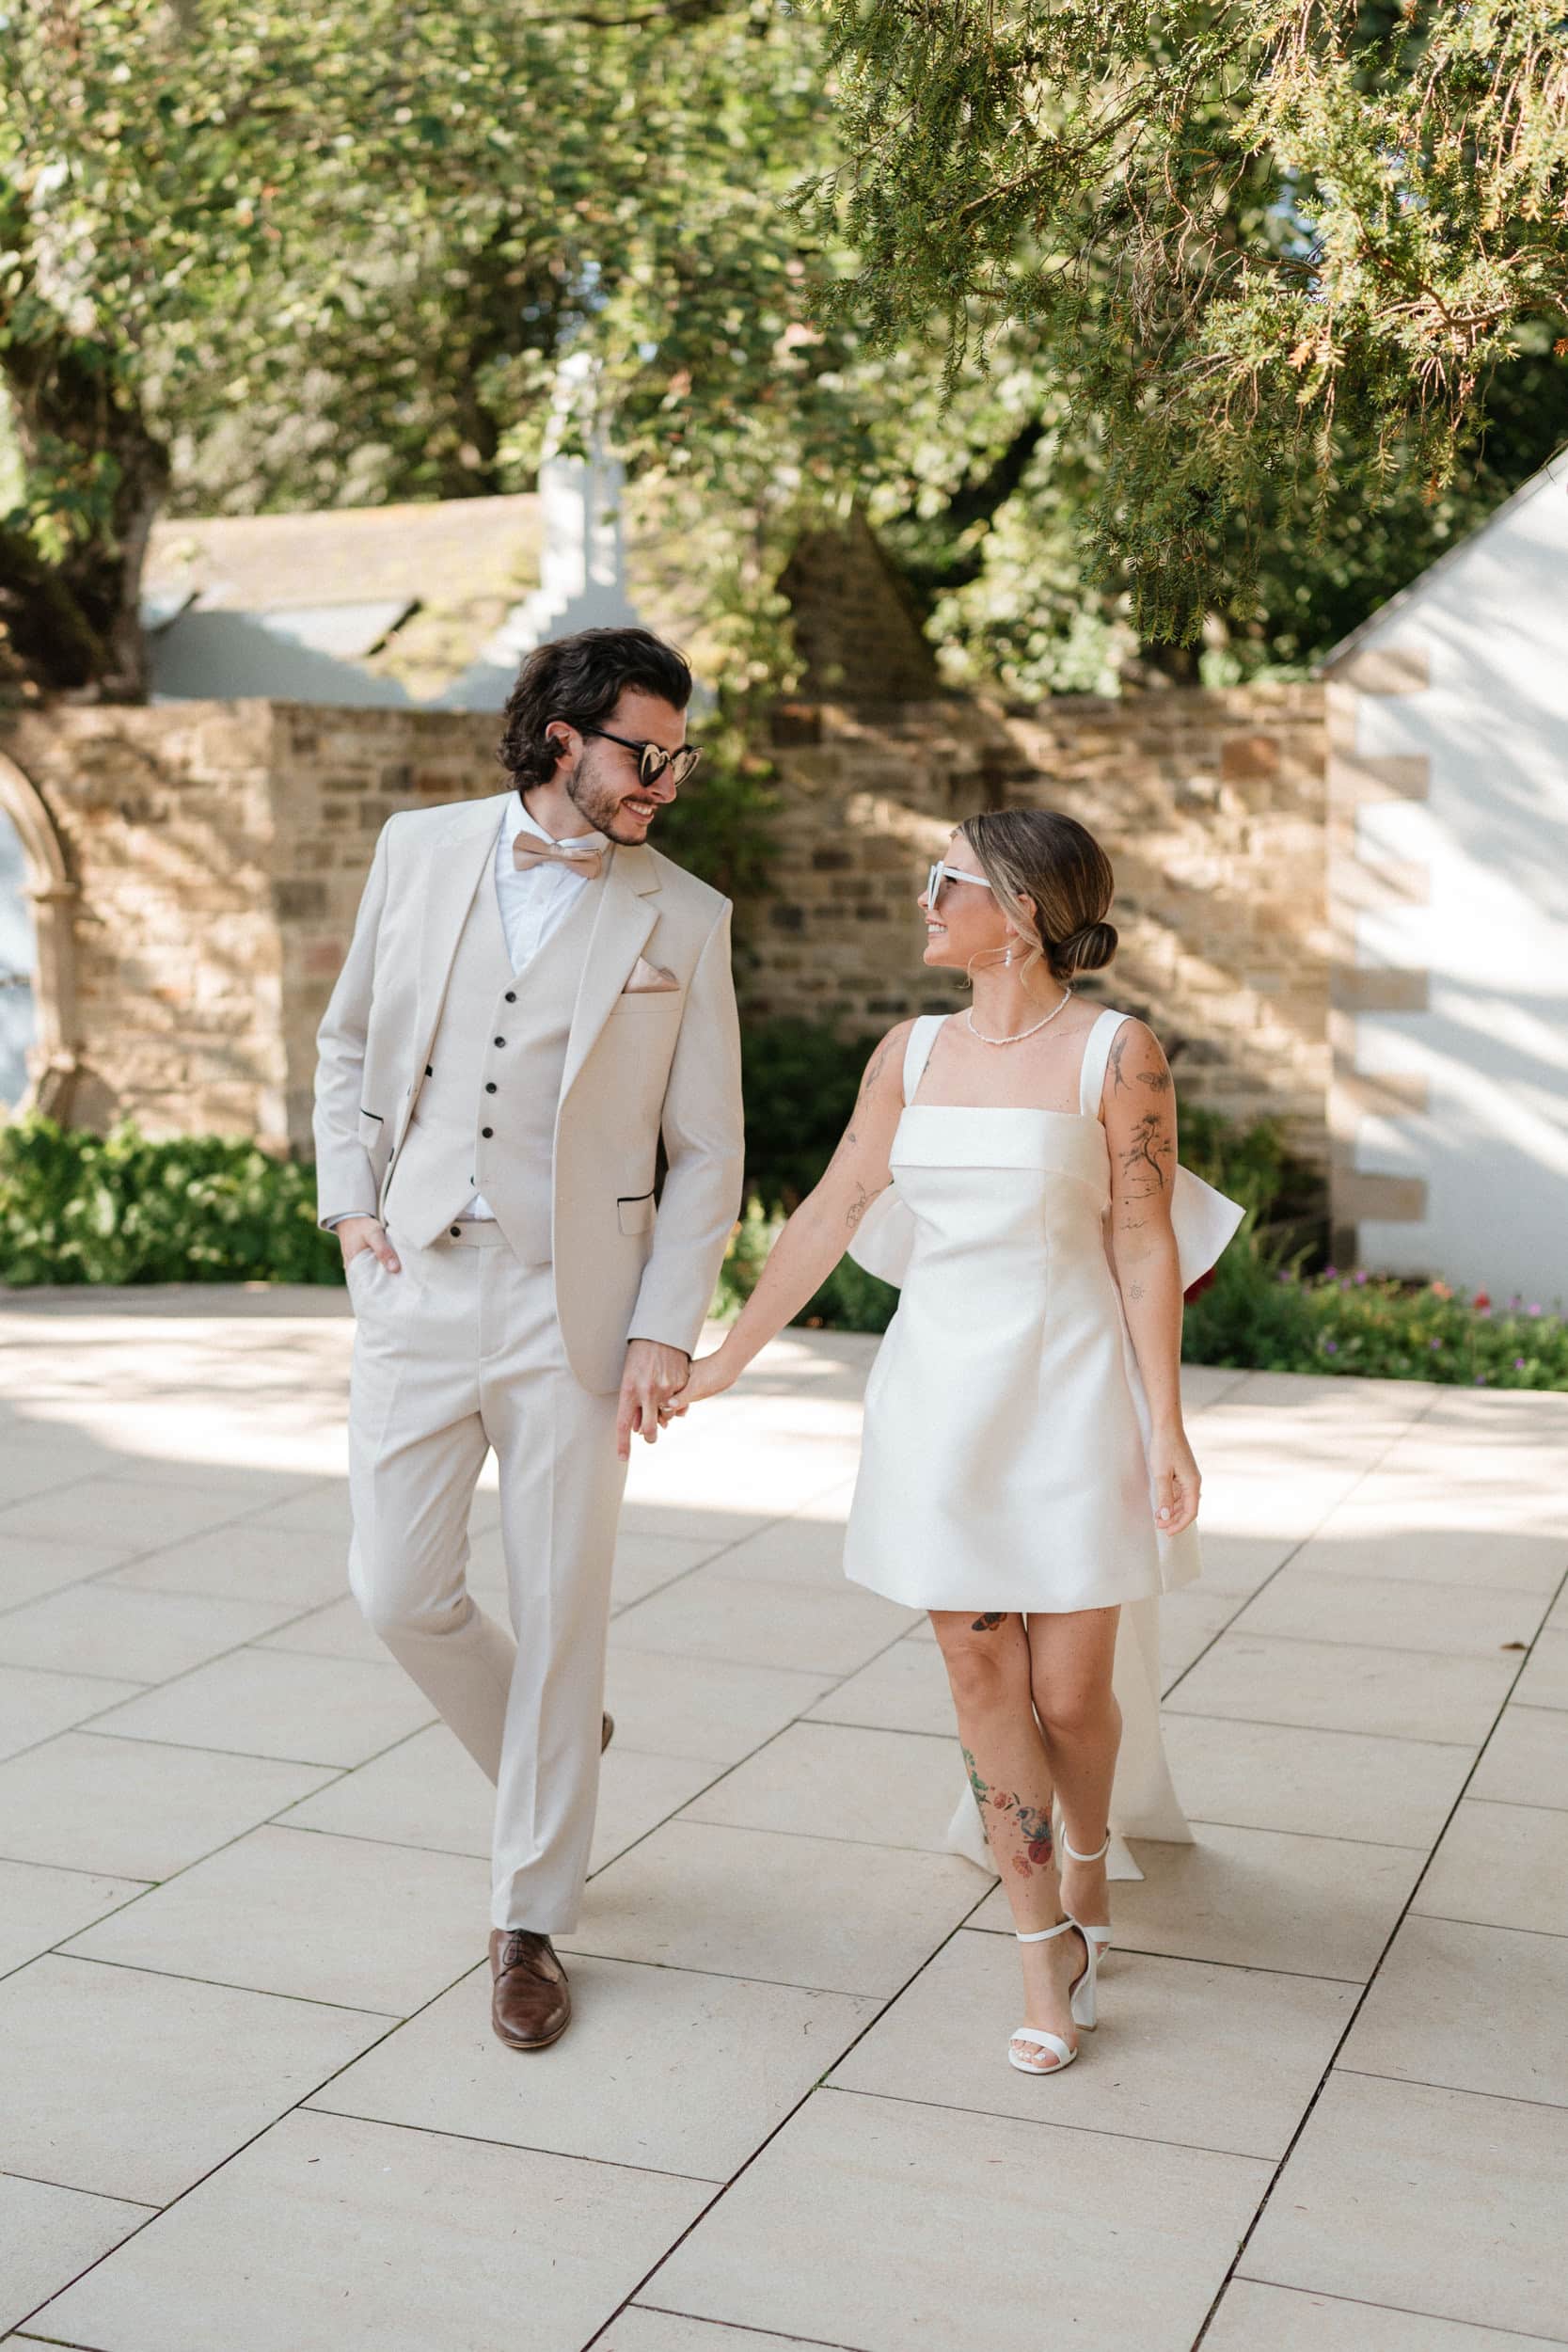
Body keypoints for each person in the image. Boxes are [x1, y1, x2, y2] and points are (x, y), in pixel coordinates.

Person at [675, 807, 1234, 2077]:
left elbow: (1143, 1241)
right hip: (938, 1406)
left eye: (948, 880)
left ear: (1022, 912)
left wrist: (1167, 1426)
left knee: (1072, 1696)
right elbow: (833, 1210)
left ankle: (1086, 1866)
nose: (926, 900)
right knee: (982, 1678)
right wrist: (726, 1356)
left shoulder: (1118, 1055)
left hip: (1076, 1397)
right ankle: (1040, 1951)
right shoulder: (909, 1053)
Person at [312, 626, 743, 2054]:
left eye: (678, 757)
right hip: (420, 1275)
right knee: (395, 1588)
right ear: (563, 737)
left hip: (582, 1307)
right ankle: (555, 1743)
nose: (665, 781)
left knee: (562, 1610)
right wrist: (351, 1212)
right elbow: (347, 1041)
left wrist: (666, 1327)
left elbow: (708, 1151)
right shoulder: (420, 849)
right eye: (644, 753)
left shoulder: (686, 917)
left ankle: (529, 1923)